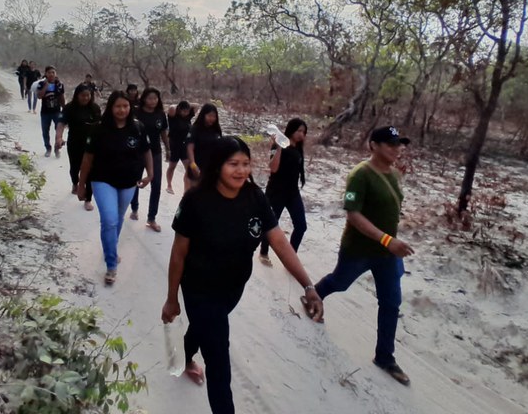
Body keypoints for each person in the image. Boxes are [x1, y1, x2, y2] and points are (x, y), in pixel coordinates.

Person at [161, 136, 323, 414]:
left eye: (246, 164)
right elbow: (178, 254)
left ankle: (183, 356)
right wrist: (171, 299)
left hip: (233, 288)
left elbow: (280, 243)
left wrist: (308, 285)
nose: (241, 171)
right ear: (217, 166)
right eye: (233, 164)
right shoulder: (195, 201)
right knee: (219, 361)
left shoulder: (255, 198)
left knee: (204, 328)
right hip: (200, 288)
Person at [313, 125, 415, 386]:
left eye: (399, 144)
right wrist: (386, 239)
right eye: (391, 144)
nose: (397, 149)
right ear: (373, 146)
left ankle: (385, 357)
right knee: (339, 282)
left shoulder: (394, 175)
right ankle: (314, 294)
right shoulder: (359, 175)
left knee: (391, 302)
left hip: (388, 254)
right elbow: (353, 214)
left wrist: (390, 243)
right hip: (360, 249)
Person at [77, 91, 153, 285]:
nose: (122, 110)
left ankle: (111, 247)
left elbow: (146, 152)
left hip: (129, 182)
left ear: (130, 108)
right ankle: (111, 265)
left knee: (118, 218)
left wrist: (150, 174)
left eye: (125, 106)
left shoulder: (138, 128)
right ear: (111, 108)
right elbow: (87, 159)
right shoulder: (98, 130)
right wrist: (81, 184)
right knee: (110, 219)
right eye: (118, 106)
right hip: (102, 180)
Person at [258, 118, 309, 266]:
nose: (301, 135)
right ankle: (263, 252)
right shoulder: (278, 144)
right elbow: (273, 168)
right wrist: (278, 146)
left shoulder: (298, 148)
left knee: (301, 226)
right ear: (291, 129)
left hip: (292, 193)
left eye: (304, 132)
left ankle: (290, 256)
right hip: (276, 192)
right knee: (271, 224)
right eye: (299, 130)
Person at [56, 84, 101, 211]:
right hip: (75, 143)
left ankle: (88, 199)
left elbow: (101, 126)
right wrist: (58, 137)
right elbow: (61, 123)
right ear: (77, 95)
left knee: (90, 172)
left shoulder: (95, 108)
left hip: (91, 146)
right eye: (83, 95)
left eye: (88, 95)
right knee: (75, 168)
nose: (86, 98)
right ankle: (75, 182)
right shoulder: (69, 108)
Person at [130, 87, 169, 230]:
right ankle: (134, 207)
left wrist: (168, 148)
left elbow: (164, 133)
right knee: (136, 180)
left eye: (155, 98)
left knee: (156, 184)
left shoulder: (160, 114)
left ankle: (151, 218)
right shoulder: (136, 113)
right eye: (150, 98)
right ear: (144, 99)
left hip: (155, 152)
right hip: (138, 152)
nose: (153, 101)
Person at [185, 103, 222, 184]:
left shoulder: (216, 130)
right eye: (209, 116)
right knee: (195, 193)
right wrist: (193, 164)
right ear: (203, 115)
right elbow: (190, 148)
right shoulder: (195, 129)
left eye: (214, 116)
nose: (212, 118)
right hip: (197, 166)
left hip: (212, 168)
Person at [165, 101, 197, 194]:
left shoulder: (188, 116)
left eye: (186, 111)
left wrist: (187, 105)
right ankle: (169, 185)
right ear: (179, 110)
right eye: (183, 111)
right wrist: (179, 106)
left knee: (188, 168)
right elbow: (171, 107)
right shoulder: (173, 116)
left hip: (185, 146)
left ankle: (186, 189)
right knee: (172, 166)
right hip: (174, 145)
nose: (185, 113)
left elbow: (196, 105)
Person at [36, 66, 66, 157]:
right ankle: (48, 148)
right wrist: (46, 85)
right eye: (49, 72)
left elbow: (62, 98)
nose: (51, 74)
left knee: (58, 131)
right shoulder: (41, 84)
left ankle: (57, 149)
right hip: (45, 112)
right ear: (45, 74)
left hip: (57, 112)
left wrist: (64, 109)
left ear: (55, 74)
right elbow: (39, 96)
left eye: (53, 72)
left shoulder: (59, 84)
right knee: (45, 131)